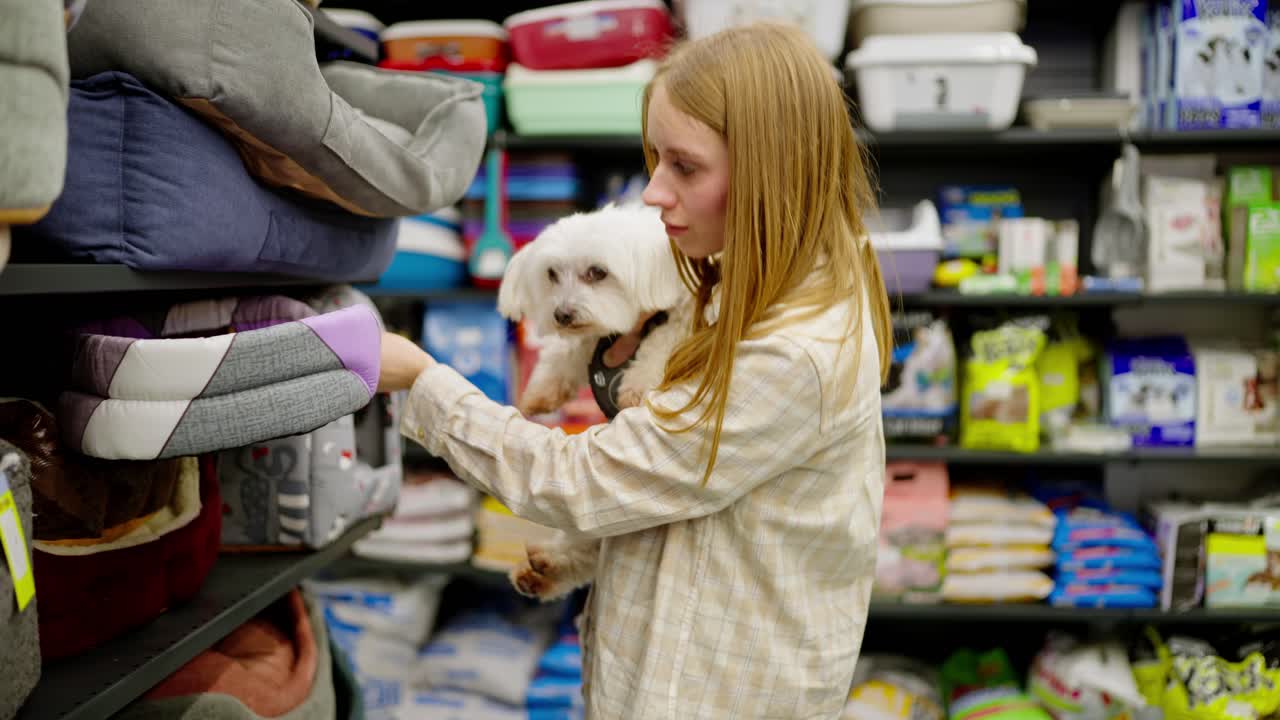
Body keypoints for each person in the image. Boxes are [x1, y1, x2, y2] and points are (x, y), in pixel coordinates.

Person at [378, 21, 893, 719]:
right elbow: (677, 497)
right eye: (655, 161)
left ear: (771, 171)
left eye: (684, 167)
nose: (652, 192)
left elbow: (587, 482)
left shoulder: (793, 351)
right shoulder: (739, 281)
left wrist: (422, 382)